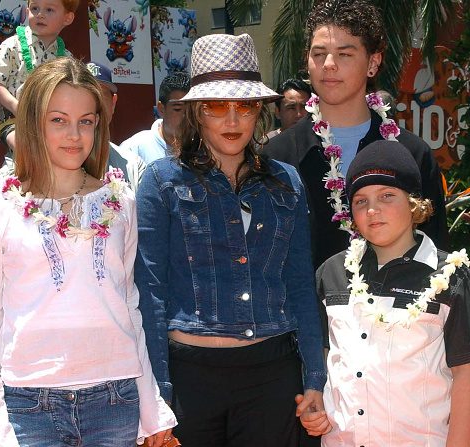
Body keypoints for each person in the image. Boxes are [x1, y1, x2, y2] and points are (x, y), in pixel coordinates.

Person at [0, 57, 176, 447]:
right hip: (27, 409)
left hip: (116, 401)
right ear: (32, 122)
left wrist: (151, 407)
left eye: (86, 121)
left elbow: (129, 307)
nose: (74, 135)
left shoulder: (121, 201)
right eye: (58, 119)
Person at [135, 33, 329, 447]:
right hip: (190, 378)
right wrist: (156, 393)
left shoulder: (285, 181)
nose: (232, 119)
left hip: (272, 373)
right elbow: (150, 293)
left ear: (259, 110)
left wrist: (315, 376)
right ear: (195, 111)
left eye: (245, 105)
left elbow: (299, 283)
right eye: (217, 106)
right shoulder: (159, 182)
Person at [314, 140, 470, 446]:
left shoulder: (450, 276)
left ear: (414, 203)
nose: (373, 210)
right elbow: (322, 358)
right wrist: (313, 401)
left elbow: (467, 375)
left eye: (387, 196)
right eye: (361, 201)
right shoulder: (332, 273)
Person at [263, 0, 448, 271]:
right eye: (319, 53)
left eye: (344, 54)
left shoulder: (412, 154)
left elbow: (436, 255)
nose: (328, 65)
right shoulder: (277, 156)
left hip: (398, 311)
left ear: (373, 63)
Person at [0, 0, 78, 152]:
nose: (40, 15)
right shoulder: (12, 45)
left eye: (49, 10)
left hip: (52, 126)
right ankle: (11, 174)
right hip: (15, 121)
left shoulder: (67, 59)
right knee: (25, 151)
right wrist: (17, 106)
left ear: (67, 18)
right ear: (27, 11)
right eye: (35, 8)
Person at [86, 61, 147, 192]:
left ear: (113, 104)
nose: (94, 107)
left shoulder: (133, 166)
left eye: (101, 97)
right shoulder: (56, 162)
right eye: (86, 98)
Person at [120, 72, 190, 164]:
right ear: (161, 108)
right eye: (178, 109)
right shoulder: (134, 148)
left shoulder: (204, 148)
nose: (186, 116)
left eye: (191, 110)